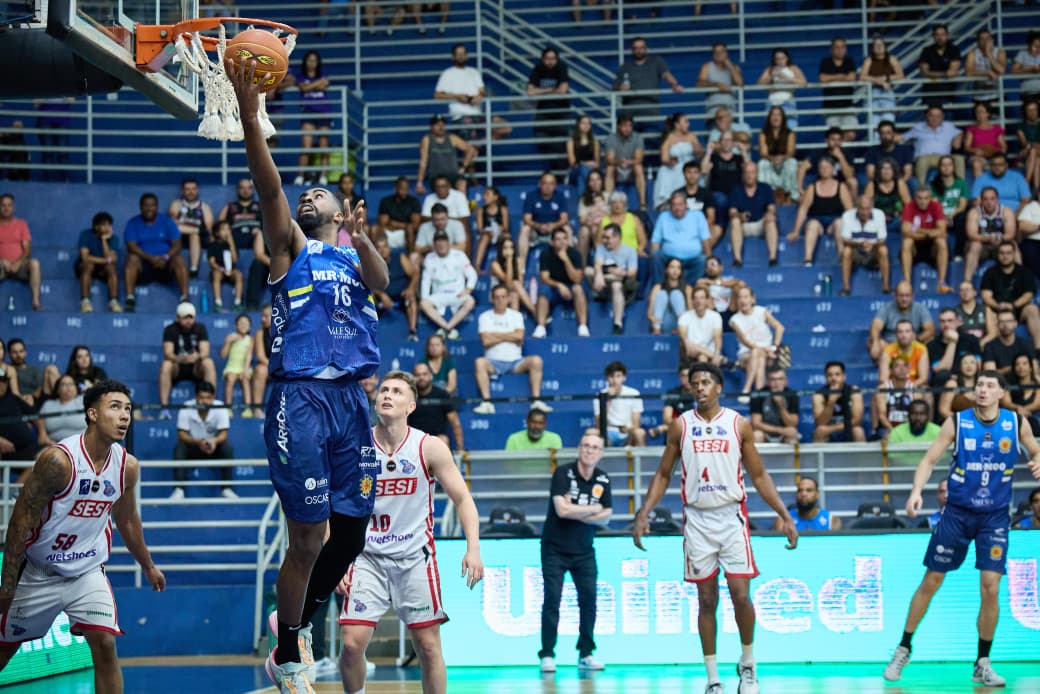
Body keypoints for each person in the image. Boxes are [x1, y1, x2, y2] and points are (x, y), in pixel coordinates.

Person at [227, 60, 389, 693]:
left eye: (318, 194)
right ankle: (291, 654)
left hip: (351, 400)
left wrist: (363, 235)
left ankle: (291, 622)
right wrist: (250, 118)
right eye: (305, 196)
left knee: (348, 535)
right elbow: (270, 192)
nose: (307, 196)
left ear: (338, 212)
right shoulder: (290, 248)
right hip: (301, 397)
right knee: (308, 536)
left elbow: (380, 281)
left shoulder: (352, 254)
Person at [633, 362, 798, 694]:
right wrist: (643, 513)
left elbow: (760, 475)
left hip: (731, 516)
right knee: (706, 601)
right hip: (697, 519)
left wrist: (785, 514)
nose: (699, 387)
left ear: (719, 387)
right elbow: (664, 474)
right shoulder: (680, 427)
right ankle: (713, 678)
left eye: (706, 381)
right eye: (695, 383)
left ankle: (748, 665)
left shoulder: (739, 425)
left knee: (741, 595)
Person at [0, 380, 164, 692]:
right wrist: (7, 586)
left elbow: (127, 520)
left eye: (127, 408)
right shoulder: (57, 461)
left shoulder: (127, 467)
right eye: (114, 407)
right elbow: (20, 523)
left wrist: (148, 565)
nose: (124, 416)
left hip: (87, 572)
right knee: (4, 650)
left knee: (104, 644)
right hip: (39, 573)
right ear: (91, 414)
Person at [883, 370, 1040, 687]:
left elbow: (1035, 449)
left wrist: (1038, 457)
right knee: (932, 580)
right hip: (956, 513)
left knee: (991, 587)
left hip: (994, 516)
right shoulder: (957, 421)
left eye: (990, 386)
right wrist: (916, 492)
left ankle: (982, 662)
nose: (983, 390)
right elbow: (928, 460)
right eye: (979, 385)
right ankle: (904, 647)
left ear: (1001, 393)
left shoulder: (1016, 422)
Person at [338, 371, 484, 694]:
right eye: (384, 390)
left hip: (414, 558)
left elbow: (463, 499)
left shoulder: (428, 447)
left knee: (428, 647)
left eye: (397, 392)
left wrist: (473, 547)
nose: (387, 395)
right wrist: (336, 560)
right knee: (350, 644)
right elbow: (335, 508)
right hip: (367, 558)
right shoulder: (356, 447)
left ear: (411, 406)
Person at [538, 432, 612, 673]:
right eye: (585, 445)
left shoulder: (603, 479)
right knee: (552, 600)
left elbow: (607, 515)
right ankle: (547, 654)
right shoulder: (563, 473)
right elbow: (561, 511)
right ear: (579, 448)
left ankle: (586, 653)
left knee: (589, 601)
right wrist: (592, 510)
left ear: (600, 453)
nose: (589, 450)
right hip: (554, 549)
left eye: (594, 447)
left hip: (584, 551)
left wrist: (575, 508)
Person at [473, 285, 550, 415]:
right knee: (479, 362)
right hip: (493, 362)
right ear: (491, 299)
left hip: (515, 361)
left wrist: (495, 335)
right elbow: (486, 341)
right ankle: (487, 402)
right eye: (496, 297)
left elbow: (519, 337)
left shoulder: (516, 316)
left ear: (508, 299)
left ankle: (536, 401)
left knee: (536, 361)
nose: (500, 300)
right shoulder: (484, 317)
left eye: (503, 297)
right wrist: (509, 335)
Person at [124, 192, 189, 312]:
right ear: (140, 207)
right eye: (146, 205)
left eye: (152, 205)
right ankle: (130, 298)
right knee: (132, 258)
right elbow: (131, 246)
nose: (149, 209)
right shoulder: (133, 223)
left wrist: (165, 257)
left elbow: (177, 244)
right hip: (144, 265)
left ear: (157, 207)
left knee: (179, 259)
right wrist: (150, 258)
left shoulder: (167, 221)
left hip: (165, 264)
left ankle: (185, 299)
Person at [171, 380, 236, 500]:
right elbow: (181, 435)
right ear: (195, 397)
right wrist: (198, 442)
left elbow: (223, 434)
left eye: (208, 398)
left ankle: (227, 488)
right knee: (180, 448)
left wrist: (214, 441)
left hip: (213, 446)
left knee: (227, 448)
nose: (205, 401)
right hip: (194, 446)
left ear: (213, 397)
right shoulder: (186, 407)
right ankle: (178, 489)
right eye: (201, 397)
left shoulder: (220, 407)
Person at [433, 44, 510, 142]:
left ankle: (479, 144)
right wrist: (457, 97)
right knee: (470, 147)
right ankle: (474, 148)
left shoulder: (474, 72)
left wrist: (479, 97)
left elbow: (482, 91)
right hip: (460, 116)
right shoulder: (447, 73)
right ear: (453, 57)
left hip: (479, 115)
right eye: (458, 54)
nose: (461, 56)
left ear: (466, 56)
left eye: (463, 53)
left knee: (505, 128)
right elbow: (437, 95)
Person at [789, 156, 853, 267]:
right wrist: (796, 231)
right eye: (821, 167)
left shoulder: (841, 187)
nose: (824, 170)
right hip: (817, 220)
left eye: (827, 167)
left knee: (840, 223)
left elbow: (850, 211)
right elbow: (803, 210)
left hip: (834, 221)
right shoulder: (812, 188)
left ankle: (843, 259)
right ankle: (808, 259)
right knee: (812, 225)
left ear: (833, 170)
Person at [158, 301, 217, 420]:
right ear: (178, 318)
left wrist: (197, 357)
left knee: (208, 362)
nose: (188, 321)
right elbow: (168, 353)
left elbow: (205, 352)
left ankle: (212, 405)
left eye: (191, 318)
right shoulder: (170, 329)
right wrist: (180, 358)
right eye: (185, 318)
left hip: (195, 367)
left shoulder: (200, 328)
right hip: (178, 366)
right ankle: (164, 408)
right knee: (166, 365)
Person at [979, 240, 1039, 349]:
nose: (1005, 256)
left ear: (1014, 254)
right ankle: (995, 352)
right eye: (1002, 253)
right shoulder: (990, 272)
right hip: (996, 310)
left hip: (1018, 310)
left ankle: (1038, 349)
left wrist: (1013, 305)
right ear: (998, 254)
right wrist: (997, 306)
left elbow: (1028, 295)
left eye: (1008, 253)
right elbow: (986, 295)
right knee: (987, 310)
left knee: (1032, 309)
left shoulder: (1024, 272)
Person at [419, 229, 477, 340]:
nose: (441, 244)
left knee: (470, 301)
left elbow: (472, 274)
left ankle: (447, 328)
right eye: (438, 241)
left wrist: (468, 290)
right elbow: (425, 281)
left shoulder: (459, 255)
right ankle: (448, 328)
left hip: (457, 293)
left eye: (443, 241)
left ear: (449, 243)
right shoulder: (429, 258)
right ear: (434, 244)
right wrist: (425, 298)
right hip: (439, 294)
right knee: (424, 303)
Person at [612, 36, 683, 126]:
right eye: (636, 48)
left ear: (646, 49)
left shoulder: (656, 61)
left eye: (641, 48)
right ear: (632, 50)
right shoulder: (624, 67)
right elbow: (614, 87)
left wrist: (675, 84)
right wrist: (620, 87)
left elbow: (666, 75)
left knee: (652, 138)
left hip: (651, 111)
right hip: (629, 114)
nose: (639, 51)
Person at [730, 286, 785, 399]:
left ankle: (747, 390)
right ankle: (759, 394)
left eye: (746, 297)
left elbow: (780, 327)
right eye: (740, 297)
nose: (743, 300)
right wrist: (766, 350)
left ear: (752, 299)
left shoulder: (762, 311)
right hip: (746, 355)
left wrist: (774, 347)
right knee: (757, 353)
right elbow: (745, 342)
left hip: (769, 353)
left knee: (759, 357)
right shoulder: (734, 320)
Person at [534, 228, 589, 339]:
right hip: (554, 288)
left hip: (571, 287)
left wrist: (566, 260)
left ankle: (582, 326)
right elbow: (544, 278)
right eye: (558, 239)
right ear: (552, 242)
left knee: (578, 288)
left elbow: (577, 279)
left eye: (565, 239)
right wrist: (559, 285)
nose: (562, 242)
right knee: (543, 291)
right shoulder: (546, 254)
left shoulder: (574, 254)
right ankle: (540, 327)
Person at [585, 222, 638, 334]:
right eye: (603, 237)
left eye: (607, 238)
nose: (604, 240)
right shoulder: (601, 248)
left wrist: (621, 274)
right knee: (588, 271)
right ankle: (598, 294)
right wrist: (603, 273)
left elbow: (632, 272)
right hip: (603, 285)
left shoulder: (630, 251)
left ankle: (617, 323)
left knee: (616, 285)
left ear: (617, 237)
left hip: (622, 288)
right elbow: (598, 263)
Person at [650, 190, 711, 286]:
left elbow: (705, 240)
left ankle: (688, 288)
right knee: (656, 256)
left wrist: (709, 258)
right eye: (674, 205)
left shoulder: (698, 216)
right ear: (670, 206)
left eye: (680, 204)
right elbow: (655, 241)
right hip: (669, 258)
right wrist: (653, 255)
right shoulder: (663, 217)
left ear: (686, 205)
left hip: (692, 258)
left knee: (703, 260)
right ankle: (660, 287)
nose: (677, 208)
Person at [899, 188, 952, 295]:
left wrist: (920, 231)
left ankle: (941, 283)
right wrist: (929, 233)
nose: (923, 201)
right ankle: (907, 283)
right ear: (915, 198)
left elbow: (942, 230)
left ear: (930, 198)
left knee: (941, 241)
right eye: (920, 198)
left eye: (926, 198)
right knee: (906, 242)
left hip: (932, 247)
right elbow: (905, 231)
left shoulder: (936, 206)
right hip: (916, 247)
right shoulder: (909, 206)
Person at [518, 172, 572, 274]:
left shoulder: (560, 196)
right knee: (525, 229)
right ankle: (521, 267)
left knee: (567, 229)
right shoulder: (531, 196)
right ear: (540, 184)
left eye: (551, 184)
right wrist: (538, 226)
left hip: (554, 231)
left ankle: (570, 264)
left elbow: (564, 218)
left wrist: (553, 226)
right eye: (545, 183)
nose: (548, 187)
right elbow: (527, 218)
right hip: (536, 231)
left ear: (555, 185)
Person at [728, 161, 779, 267]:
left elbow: (771, 208)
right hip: (744, 226)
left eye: (752, 172)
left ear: (757, 174)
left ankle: (773, 258)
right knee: (734, 221)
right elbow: (732, 212)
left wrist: (769, 214)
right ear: (743, 175)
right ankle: (737, 260)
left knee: (771, 219)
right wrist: (740, 216)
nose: (749, 175)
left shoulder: (765, 188)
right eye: (747, 172)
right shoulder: (736, 189)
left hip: (761, 224)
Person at [293, 50, 333, 185]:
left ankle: (323, 177)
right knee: (306, 146)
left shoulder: (323, 74)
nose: (312, 63)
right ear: (305, 62)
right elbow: (303, 89)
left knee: (323, 146)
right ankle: (300, 176)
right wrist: (317, 84)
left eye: (314, 60)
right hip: (308, 113)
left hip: (324, 113)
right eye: (309, 60)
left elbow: (324, 83)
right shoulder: (300, 76)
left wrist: (310, 86)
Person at [838, 193, 890, 296]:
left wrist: (872, 245)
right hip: (856, 251)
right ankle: (846, 288)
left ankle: (886, 287)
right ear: (857, 207)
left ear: (872, 207)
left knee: (883, 250)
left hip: (873, 252)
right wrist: (860, 244)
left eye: (868, 209)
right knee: (846, 251)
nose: (865, 212)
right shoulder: (847, 215)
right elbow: (845, 240)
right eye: (862, 209)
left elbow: (882, 239)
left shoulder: (879, 214)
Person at [371, 233, 420, 341]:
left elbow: (415, 274)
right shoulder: (371, 263)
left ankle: (412, 331)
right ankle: (368, 332)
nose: (382, 250)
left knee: (411, 298)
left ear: (389, 248)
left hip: (402, 294)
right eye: (378, 248)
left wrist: (411, 289)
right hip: (382, 296)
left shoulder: (400, 257)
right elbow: (368, 283)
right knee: (368, 297)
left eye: (384, 247)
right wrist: (382, 294)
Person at [653, 114, 705, 211]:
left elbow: (700, 154)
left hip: (689, 166)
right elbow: (664, 158)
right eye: (685, 121)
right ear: (677, 124)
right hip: (674, 167)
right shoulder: (669, 137)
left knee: (691, 171)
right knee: (663, 171)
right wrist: (670, 162)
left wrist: (698, 149)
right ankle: (667, 203)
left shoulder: (692, 136)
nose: (688, 124)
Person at [409, 362, 464, 451]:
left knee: (443, 440)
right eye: (417, 375)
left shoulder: (442, 395)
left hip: (437, 438)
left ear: (431, 376)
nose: (421, 378)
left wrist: (460, 448)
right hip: (414, 439)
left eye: (424, 374)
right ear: (413, 378)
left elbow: (455, 422)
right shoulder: (408, 396)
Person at [0, 193, 42, 311]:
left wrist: (18, 262)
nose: (6, 208)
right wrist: (3, 261)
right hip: (2, 265)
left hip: (20, 265)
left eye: (9, 205)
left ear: (13, 207)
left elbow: (27, 249)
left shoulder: (21, 224)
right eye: (3, 205)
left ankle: (36, 301)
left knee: (35, 263)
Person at [416, 115, 477, 194]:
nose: (440, 127)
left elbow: (470, 149)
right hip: (436, 176)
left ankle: (463, 206)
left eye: (442, 124)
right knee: (443, 186)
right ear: (431, 127)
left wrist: (463, 166)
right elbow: (423, 162)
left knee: (462, 184)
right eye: (437, 125)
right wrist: (419, 183)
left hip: (453, 176)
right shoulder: (427, 139)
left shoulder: (452, 138)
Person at [903, 106, 965, 184]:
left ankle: (962, 188)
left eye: (938, 116)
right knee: (922, 161)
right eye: (931, 115)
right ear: (926, 116)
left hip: (944, 157)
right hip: (925, 157)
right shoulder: (919, 127)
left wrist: (958, 138)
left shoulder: (948, 126)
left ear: (943, 117)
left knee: (959, 158)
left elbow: (960, 132)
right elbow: (903, 137)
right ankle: (921, 190)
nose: (935, 119)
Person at [76, 211, 122, 313]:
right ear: (96, 226)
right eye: (104, 225)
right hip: (85, 266)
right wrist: (106, 260)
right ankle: (85, 301)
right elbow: (85, 257)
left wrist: (104, 240)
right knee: (89, 265)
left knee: (111, 268)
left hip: (103, 268)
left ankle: (113, 302)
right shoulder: (85, 235)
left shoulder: (113, 238)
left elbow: (112, 258)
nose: (108, 227)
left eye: (109, 225)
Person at [168, 178, 214, 277]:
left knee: (194, 234)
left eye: (193, 189)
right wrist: (195, 228)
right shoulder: (176, 204)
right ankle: (195, 230)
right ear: (182, 191)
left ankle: (193, 268)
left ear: (197, 190)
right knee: (173, 227)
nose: (191, 192)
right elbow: (172, 224)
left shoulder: (204, 207)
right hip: (179, 236)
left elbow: (208, 229)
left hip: (198, 238)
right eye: (188, 189)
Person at [593, 361, 646, 447]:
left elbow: (636, 425)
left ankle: (642, 460)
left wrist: (627, 429)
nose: (614, 380)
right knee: (591, 433)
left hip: (627, 434)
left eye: (618, 376)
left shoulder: (634, 393)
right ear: (607, 378)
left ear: (624, 378)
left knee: (640, 433)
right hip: (608, 434)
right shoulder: (600, 396)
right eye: (611, 376)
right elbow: (599, 425)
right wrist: (608, 400)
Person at [671, 160, 722, 250]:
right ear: (684, 174)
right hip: (682, 228)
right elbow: (674, 216)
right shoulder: (677, 194)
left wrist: (697, 229)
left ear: (699, 174)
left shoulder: (707, 193)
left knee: (717, 229)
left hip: (701, 229)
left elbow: (711, 218)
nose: (692, 175)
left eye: (695, 172)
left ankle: (697, 251)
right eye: (689, 172)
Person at [927, 307, 982, 388]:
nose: (946, 324)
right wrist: (952, 342)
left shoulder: (971, 340)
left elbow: (978, 366)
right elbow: (941, 370)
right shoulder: (932, 345)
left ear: (957, 322)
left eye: (950, 321)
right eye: (942, 321)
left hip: (968, 382)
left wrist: (959, 378)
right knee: (943, 376)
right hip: (943, 386)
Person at [813, 360, 866, 442]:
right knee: (820, 431)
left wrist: (831, 429)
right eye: (830, 375)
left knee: (858, 431)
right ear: (825, 378)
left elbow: (857, 420)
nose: (833, 378)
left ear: (844, 376)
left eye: (837, 374)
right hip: (828, 431)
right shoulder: (819, 395)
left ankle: (861, 455)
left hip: (846, 428)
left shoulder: (853, 391)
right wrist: (831, 402)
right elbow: (821, 422)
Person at [818, 37, 859, 140]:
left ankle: (838, 151)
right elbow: (823, 78)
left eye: (842, 47)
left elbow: (852, 77)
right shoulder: (825, 62)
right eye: (837, 47)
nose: (840, 50)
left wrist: (832, 78)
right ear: (831, 49)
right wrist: (842, 76)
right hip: (830, 107)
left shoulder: (849, 61)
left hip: (848, 106)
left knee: (851, 135)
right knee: (833, 137)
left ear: (846, 49)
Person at [526, 47, 570, 142]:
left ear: (557, 59)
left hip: (561, 110)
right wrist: (551, 89)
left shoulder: (562, 67)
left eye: (553, 58)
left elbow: (563, 90)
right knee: (541, 138)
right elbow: (530, 92)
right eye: (547, 58)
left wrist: (540, 91)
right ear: (543, 59)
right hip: (543, 110)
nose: (550, 61)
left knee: (562, 140)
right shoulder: (538, 69)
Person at [757, 105, 799, 204]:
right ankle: (765, 195)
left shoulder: (790, 133)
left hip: (784, 163)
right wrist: (772, 159)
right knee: (762, 163)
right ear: (769, 118)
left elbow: (791, 152)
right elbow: (763, 153)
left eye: (778, 115)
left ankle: (792, 195)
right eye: (773, 115)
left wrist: (782, 158)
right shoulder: (763, 133)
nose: (776, 118)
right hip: (770, 163)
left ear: (782, 118)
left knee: (792, 162)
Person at [604, 115, 647, 211]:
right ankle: (607, 204)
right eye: (624, 126)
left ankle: (642, 204)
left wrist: (629, 162)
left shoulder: (637, 138)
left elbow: (639, 158)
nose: (627, 129)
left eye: (630, 126)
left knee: (638, 167)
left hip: (631, 168)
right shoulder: (612, 138)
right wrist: (619, 162)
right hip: (617, 167)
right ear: (618, 126)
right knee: (609, 168)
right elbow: (609, 159)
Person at [756, 48, 807, 128]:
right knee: (771, 130)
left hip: (788, 103)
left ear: (787, 58)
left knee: (790, 128)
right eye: (777, 59)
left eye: (782, 58)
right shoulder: (770, 69)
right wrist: (771, 76)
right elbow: (759, 84)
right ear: (774, 60)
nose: (780, 61)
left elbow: (804, 83)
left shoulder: (793, 68)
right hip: (772, 103)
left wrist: (786, 77)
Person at [861, 38, 904, 129]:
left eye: (881, 45)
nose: (879, 47)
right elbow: (862, 77)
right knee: (874, 123)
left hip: (887, 92)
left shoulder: (891, 59)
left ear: (885, 47)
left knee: (888, 120)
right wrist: (878, 81)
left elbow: (901, 75)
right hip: (873, 93)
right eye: (876, 45)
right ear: (872, 48)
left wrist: (886, 78)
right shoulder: (869, 60)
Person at [0, 366, 41, 462]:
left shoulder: (13, 398)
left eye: (3, 381)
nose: (1, 384)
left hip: (27, 447)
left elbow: (34, 414)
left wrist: (42, 433)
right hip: (4, 450)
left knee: (46, 457)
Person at [930, 155, 970, 253]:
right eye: (943, 165)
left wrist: (951, 215)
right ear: (939, 168)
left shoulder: (961, 183)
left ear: (953, 167)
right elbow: (933, 206)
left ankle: (959, 252)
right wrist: (943, 217)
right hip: (939, 216)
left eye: (949, 164)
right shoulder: (933, 185)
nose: (946, 167)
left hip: (955, 215)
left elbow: (962, 205)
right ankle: (943, 252)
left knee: (962, 217)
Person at [701, 132, 745, 222]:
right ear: (720, 142)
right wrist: (709, 151)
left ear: (733, 143)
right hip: (718, 194)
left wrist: (743, 151)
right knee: (722, 200)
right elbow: (703, 170)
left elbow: (750, 169)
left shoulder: (738, 158)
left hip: (735, 194)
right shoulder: (714, 157)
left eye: (729, 140)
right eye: (724, 140)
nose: (726, 142)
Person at [750, 367, 800, 444]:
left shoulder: (791, 395)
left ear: (785, 381)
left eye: (780, 379)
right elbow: (756, 424)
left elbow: (793, 423)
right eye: (773, 379)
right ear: (768, 382)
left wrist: (781, 406)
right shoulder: (759, 394)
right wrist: (780, 430)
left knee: (792, 434)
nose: (777, 383)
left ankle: (789, 457)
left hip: (784, 433)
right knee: (757, 435)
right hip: (766, 431)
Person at [864, 157, 911, 239]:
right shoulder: (872, 185)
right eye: (883, 169)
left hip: (896, 220)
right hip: (877, 221)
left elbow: (908, 205)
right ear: (879, 171)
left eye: (889, 169)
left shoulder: (900, 183)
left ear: (894, 171)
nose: (886, 171)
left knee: (907, 224)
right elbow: (865, 206)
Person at [917, 24, 962, 107]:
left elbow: (952, 72)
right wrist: (945, 74)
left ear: (947, 36)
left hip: (948, 93)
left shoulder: (954, 50)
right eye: (937, 34)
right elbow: (924, 73)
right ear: (933, 36)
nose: (940, 37)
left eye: (942, 34)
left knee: (948, 118)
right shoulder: (926, 51)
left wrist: (932, 73)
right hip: (929, 93)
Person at [983, 310, 1039, 377]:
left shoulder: (1026, 344)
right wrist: (1014, 368)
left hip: (1024, 385)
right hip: (1000, 385)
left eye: (1009, 321)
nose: (1005, 325)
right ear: (997, 325)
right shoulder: (990, 346)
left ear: (1015, 323)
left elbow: (1035, 371)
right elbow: (990, 374)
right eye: (1001, 322)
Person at [697, 42, 744, 121]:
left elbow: (740, 83)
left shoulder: (735, 68)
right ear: (713, 55)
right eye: (716, 52)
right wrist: (716, 85)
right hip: (713, 113)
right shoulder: (707, 67)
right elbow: (699, 84)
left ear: (726, 53)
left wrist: (729, 65)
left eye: (722, 51)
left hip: (731, 112)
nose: (719, 54)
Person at [490, 236, 536, 317]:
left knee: (515, 294)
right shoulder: (495, 264)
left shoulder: (518, 261)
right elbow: (508, 284)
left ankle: (514, 325)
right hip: (497, 295)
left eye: (511, 248)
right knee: (515, 284)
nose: (509, 251)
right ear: (500, 250)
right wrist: (509, 260)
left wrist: (511, 261)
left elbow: (520, 284)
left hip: (514, 292)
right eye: (505, 248)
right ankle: (535, 311)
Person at [678, 285, 722, 365]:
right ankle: (721, 359)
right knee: (688, 344)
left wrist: (717, 352)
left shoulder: (715, 316)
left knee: (702, 357)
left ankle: (704, 375)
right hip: (690, 349)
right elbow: (683, 337)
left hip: (708, 350)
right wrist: (716, 356)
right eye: (696, 298)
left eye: (702, 298)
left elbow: (717, 337)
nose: (699, 301)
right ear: (692, 301)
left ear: (707, 300)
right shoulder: (684, 316)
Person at [220, 312, 255, 415]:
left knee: (245, 379)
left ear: (249, 327)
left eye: (246, 324)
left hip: (244, 367)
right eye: (241, 323)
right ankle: (228, 408)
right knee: (230, 378)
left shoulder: (250, 340)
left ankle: (248, 408)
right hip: (231, 367)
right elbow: (223, 355)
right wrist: (227, 342)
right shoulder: (230, 337)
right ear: (235, 325)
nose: (243, 326)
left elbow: (249, 355)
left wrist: (245, 369)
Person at [876, 356, 917, 440]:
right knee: (888, 437)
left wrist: (906, 431)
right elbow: (882, 416)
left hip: (909, 428)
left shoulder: (915, 389)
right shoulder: (883, 388)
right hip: (888, 428)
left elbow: (916, 414)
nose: (902, 369)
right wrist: (895, 432)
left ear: (908, 369)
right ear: (890, 371)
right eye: (897, 366)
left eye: (904, 366)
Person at [778, 477, 842, 531]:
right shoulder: (783, 520)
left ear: (817, 494)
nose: (803, 494)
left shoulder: (831, 521)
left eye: (809, 490)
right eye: (800, 490)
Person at [879, 320, 930, 387]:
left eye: (907, 331)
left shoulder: (921, 349)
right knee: (881, 388)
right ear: (896, 334)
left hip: (914, 386)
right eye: (900, 332)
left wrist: (909, 388)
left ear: (913, 334)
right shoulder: (888, 351)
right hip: (893, 387)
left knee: (925, 389)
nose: (904, 335)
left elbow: (923, 378)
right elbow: (883, 378)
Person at [206, 219, 244, 311]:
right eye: (223, 229)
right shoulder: (213, 245)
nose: (226, 232)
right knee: (216, 274)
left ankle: (237, 302)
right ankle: (218, 302)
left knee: (239, 275)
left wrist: (230, 243)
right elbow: (212, 262)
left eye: (228, 229)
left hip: (231, 270)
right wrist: (221, 269)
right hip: (219, 270)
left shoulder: (232, 245)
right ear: (217, 233)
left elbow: (235, 259)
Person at [36, 375, 85, 446]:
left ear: (76, 388)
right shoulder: (48, 404)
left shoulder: (84, 400)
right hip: (53, 445)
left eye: (71, 384)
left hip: (81, 444)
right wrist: (43, 435)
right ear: (57, 390)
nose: (68, 387)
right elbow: (40, 419)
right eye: (64, 384)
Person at [377, 176, 422, 252]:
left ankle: (411, 256)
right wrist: (405, 225)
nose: (404, 191)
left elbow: (415, 225)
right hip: (389, 233)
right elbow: (383, 223)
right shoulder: (386, 201)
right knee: (376, 229)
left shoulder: (414, 202)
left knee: (410, 228)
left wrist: (395, 224)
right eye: (402, 188)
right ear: (396, 188)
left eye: (406, 188)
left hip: (406, 234)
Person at [218, 177, 263, 253]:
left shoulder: (261, 206)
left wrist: (261, 231)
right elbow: (219, 226)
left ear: (253, 190)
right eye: (242, 188)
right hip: (234, 240)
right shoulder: (229, 207)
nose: (245, 191)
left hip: (257, 239)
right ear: (237, 190)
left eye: (249, 188)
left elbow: (271, 225)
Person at [965, 28, 1006, 108]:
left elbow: (1001, 70)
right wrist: (987, 72)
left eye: (988, 38)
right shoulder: (972, 54)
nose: (985, 41)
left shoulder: (1000, 52)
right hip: (979, 96)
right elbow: (968, 72)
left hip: (996, 95)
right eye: (982, 39)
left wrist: (988, 54)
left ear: (992, 40)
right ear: (978, 42)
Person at [964, 103, 1007, 179]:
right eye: (977, 112)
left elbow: (1003, 147)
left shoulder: (996, 129)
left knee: (999, 163)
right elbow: (966, 147)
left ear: (988, 113)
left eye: (982, 112)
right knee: (976, 163)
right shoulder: (971, 129)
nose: (979, 114)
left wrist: (995, 153)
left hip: (993, 156)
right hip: (977, 156)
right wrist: (975, 150)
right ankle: (980, 189)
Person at [474, 186, 509, 272]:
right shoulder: (481, 210)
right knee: (485, 237)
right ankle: (477, 266)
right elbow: (479, 229)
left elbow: (506, 227)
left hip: (499, 233)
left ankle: (507, 266)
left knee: (507, 237)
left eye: (487, 195)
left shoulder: (503, 209)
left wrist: (498, 229)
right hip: (487, 234)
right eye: (484, 195)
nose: (484, 197)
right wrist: (488, 231)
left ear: (495, 197)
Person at [938, 355, 982, 421]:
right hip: (957, 424)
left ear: (977, 367)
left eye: (972, 362)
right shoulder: (952, 384)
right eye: (965, 363)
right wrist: (964, 421)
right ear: (960, 366)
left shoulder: (982, 385)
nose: (969, 366)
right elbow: (943, 411)